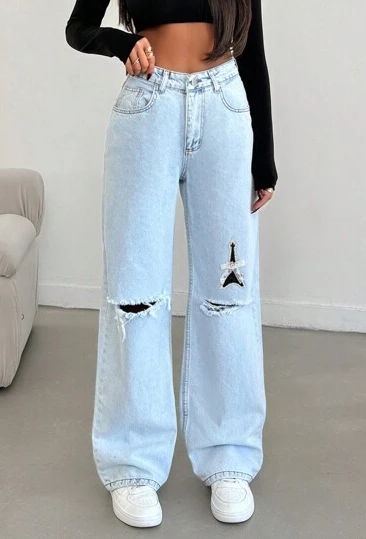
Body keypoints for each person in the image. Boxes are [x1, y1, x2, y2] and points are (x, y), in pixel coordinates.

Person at [65, 0, 278, 528]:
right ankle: (134, 463)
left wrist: (264, 160)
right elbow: (78, 27)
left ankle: (228, 455)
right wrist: (121, 44)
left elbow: (253, 48)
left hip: (225, 107)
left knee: (229, 293)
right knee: (134, 295)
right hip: (147, 106)